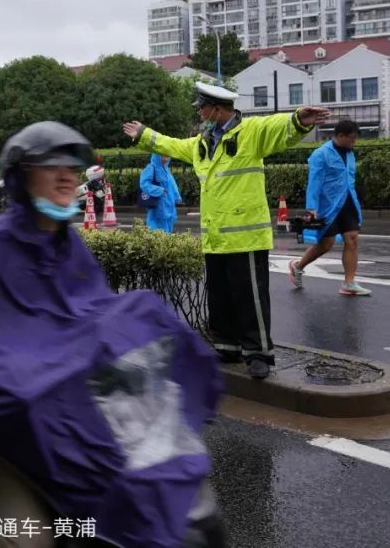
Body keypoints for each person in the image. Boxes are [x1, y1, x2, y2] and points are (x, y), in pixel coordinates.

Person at [0, 121, 223, 548]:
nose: (66, 175)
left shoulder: (69, 247)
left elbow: (90, 316)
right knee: (33, 540)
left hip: (60, 411)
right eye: (50, 164)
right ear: (22, 176)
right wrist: (11, 383)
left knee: (119, 509)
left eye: (73, 166)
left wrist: (145, 328)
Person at [123, 82, 330, 379]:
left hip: (246, 236)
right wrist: (144, 134)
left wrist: (298, 119)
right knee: (220, 297)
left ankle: (258, 352)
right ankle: (227, 346)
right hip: (216, 236)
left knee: (250, 297)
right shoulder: (202, 144)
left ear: (216, 110)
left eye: (202, 109)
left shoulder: (250, 133)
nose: (199, 114)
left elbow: (276, 126)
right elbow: (171, 145)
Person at [289, 120, 372, 297]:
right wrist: (311, 207)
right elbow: (314, 182)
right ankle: (298, 266)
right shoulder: (321, 154)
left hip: (348, 203)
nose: (354, 142)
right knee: (326, 244)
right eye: (352, 138)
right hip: (329, 205)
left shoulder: (350, 154)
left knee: (352, 239)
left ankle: (349, 283)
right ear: (340, 136)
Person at [139, 153, 181, 233]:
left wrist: (177, 196)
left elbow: (172, 184)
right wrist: (159, 190)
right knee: (156, 229)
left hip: (169, 205)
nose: (167, 157)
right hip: (158, 204)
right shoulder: (151, 168)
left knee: (168, 227)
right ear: (157, 155)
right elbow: (144, 184)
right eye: (164, 155)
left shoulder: (166, 170)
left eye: (168, 155)